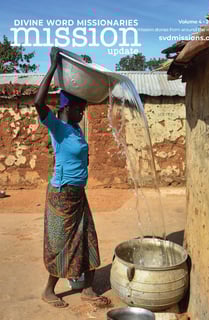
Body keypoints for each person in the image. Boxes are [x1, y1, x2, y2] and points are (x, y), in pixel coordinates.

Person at [34, 47, 111, 308]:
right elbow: (38, 103)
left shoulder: (76, 129)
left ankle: (88, 288)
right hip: (62, 194)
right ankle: (48, 290)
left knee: (88, 238)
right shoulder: (58, 128)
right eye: (80, 109)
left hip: (79, 193)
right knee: (60, 243)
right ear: (68, 108)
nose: (82, 113)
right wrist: (53, 67)